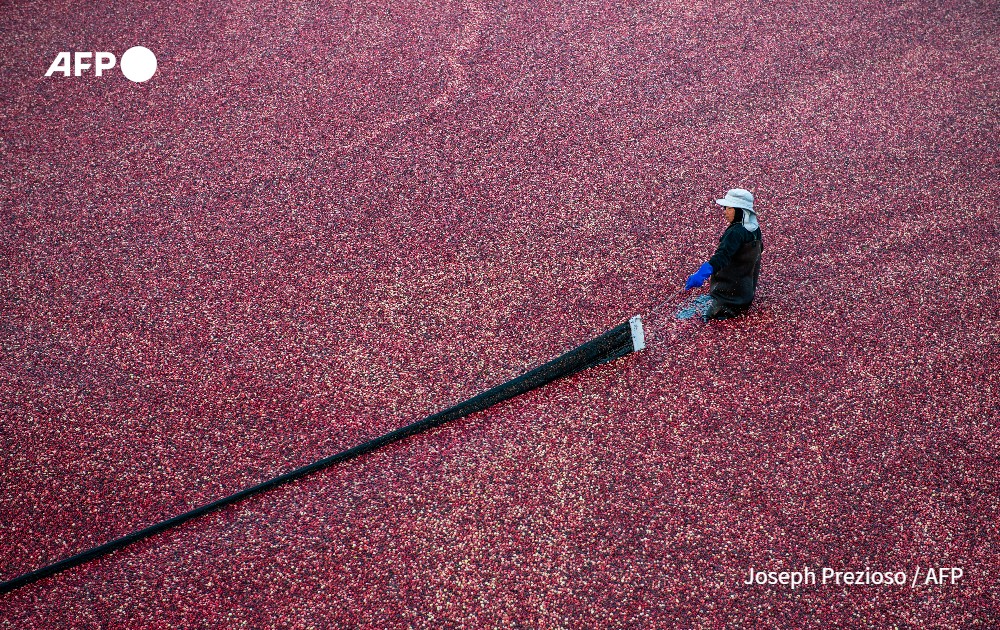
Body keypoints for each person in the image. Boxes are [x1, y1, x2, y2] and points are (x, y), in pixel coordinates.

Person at [683, 188, 763, 321]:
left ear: (739, 210)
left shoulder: (736, 232)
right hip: (746, 293)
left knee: (689, 316)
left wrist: (702, 273)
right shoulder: (755, 229)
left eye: (729, 208)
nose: (725, 212)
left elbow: (722, 256)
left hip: (727, 297)